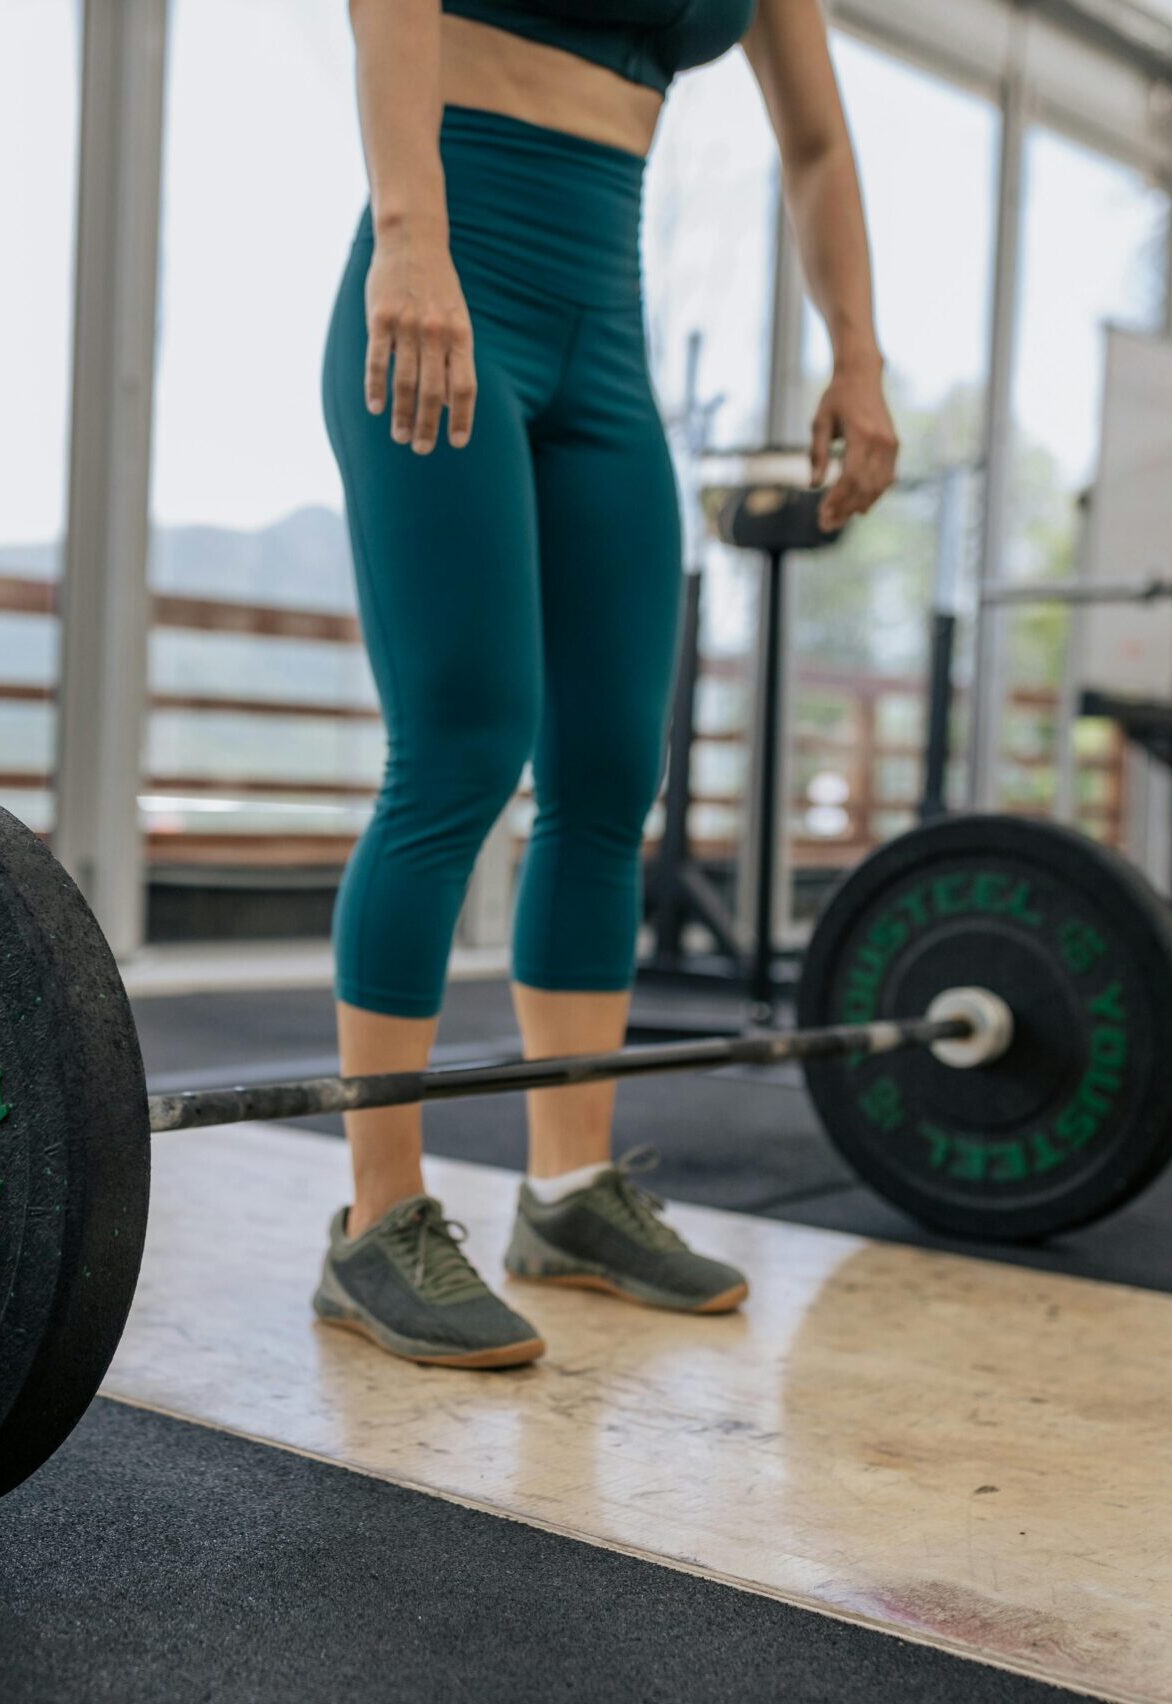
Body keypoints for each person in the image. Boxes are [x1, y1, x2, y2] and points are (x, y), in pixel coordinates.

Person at [313, 0, 899, 1369]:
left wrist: (857, 351)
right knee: (460, 748)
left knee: (607, 775)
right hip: (446, 279)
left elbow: (817, 140)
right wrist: (409, 231)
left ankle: (569, 1195)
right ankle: (374, 1218)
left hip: (604, 336)